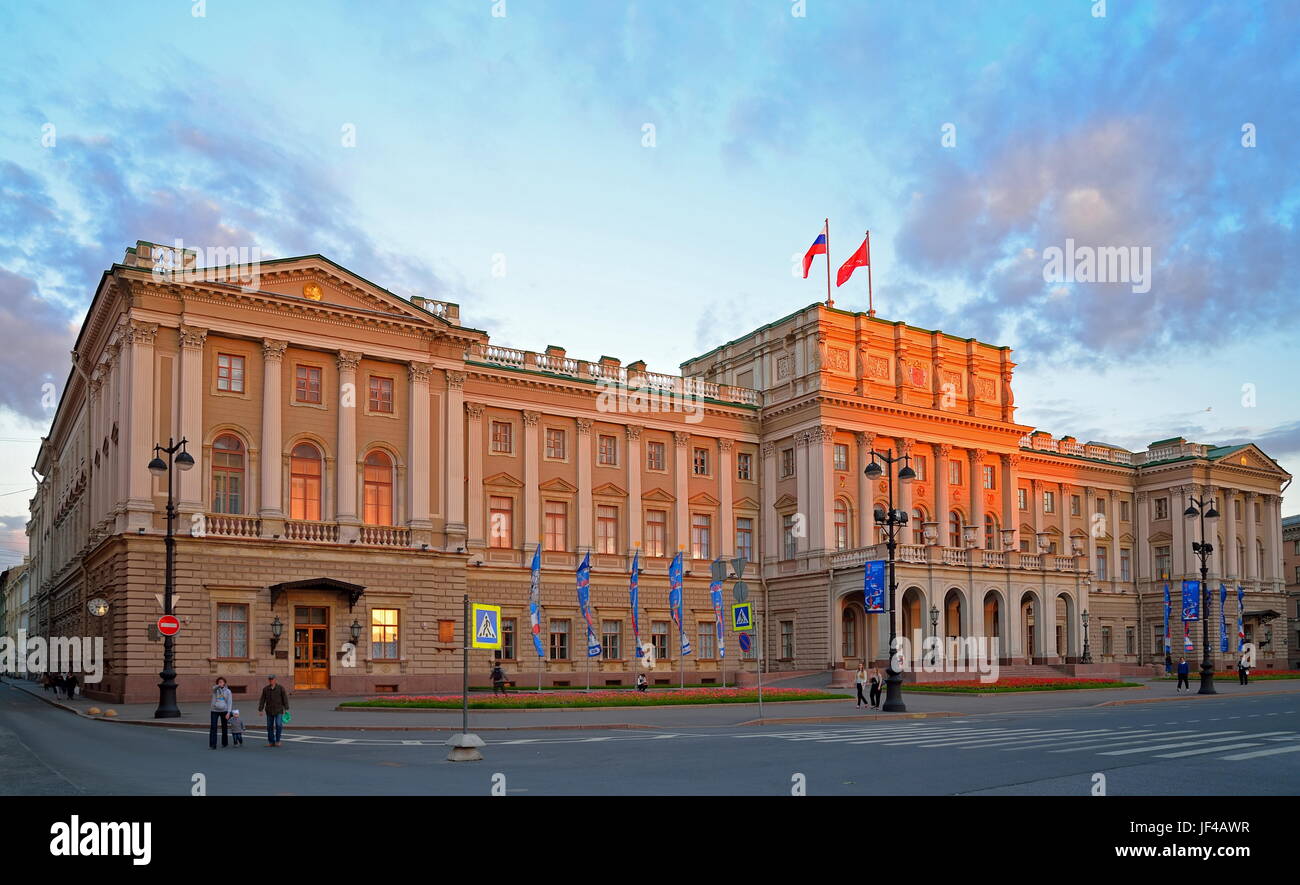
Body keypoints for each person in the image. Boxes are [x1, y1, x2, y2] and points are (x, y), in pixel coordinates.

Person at [257, 674, 290, 746]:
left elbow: (285, 698)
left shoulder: (280, 688)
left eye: (272, 679)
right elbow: (262, 700)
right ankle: (271, 741)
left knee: (278, 725)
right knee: (269, 726)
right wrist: (260, 709)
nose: (271, 681)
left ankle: (278, 741)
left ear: (275, 680)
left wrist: (286, 708)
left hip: (279, 710)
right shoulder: (265, 689)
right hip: (269, 710)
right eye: (269, 680)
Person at [209, 677, 233, 748]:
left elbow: (229, 702)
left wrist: (229, 712)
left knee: (224, 727)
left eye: (222, 682)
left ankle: (224, 743)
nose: (221, 683)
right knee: (213, 727)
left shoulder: (228, 691)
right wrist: (219, 686)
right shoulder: (215, 689)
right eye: (219, 682)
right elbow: (213, 688)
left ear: (225, 683)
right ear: (217, 683)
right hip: (214, 710)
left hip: (224, 711)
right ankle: (213, 744)